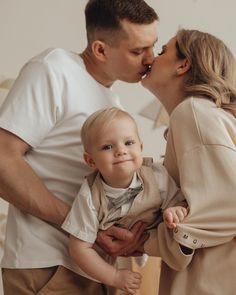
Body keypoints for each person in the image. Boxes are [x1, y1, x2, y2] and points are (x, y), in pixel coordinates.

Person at [0, 1, 159, 294]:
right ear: (100, 49)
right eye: (138, 51)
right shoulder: (52, 69)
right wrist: (82, 228)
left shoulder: (112, 103)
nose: (151, 59)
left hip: (96, 268)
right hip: (48, 263)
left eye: (153, 47)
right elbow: (2, 160)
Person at [141, 29, 236, 295]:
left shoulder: (192, 112)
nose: (151, 58)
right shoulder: (206, 115)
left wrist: (144, 241)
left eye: (162, 51)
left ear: (183, 65)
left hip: (209, 282)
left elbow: (230, 203)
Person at [62, 107, 188, 294]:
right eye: (107, 147)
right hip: (116, 259)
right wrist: (113, 276)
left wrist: (174, 209)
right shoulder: (89, 195)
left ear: (141, 148)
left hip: (160, 244)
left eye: (129, 142)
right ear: (91, 161)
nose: (121, 151)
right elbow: (79, 248)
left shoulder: (156, 175)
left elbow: (179, 201)